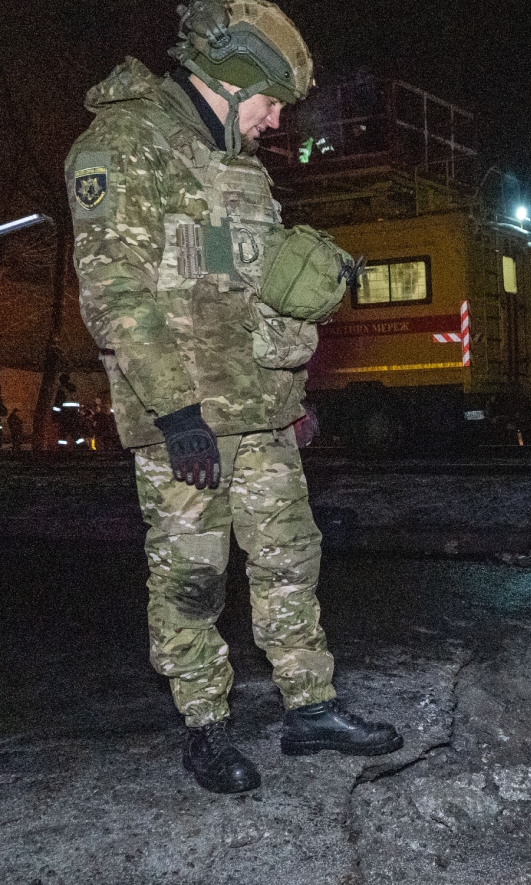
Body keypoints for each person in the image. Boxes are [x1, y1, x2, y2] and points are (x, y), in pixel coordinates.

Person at [66, 0, 400, 795]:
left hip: (261, 413)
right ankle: (206, 727)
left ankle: (310, 706)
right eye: (272, 99)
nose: (277, 118)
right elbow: (116, 297)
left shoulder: (241, 166)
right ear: (227, 78)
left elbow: (253, 291)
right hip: (183, 420)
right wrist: (177, 413)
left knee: (290, 556)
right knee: (193, 577)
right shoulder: (119, 146)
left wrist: (292, 394)